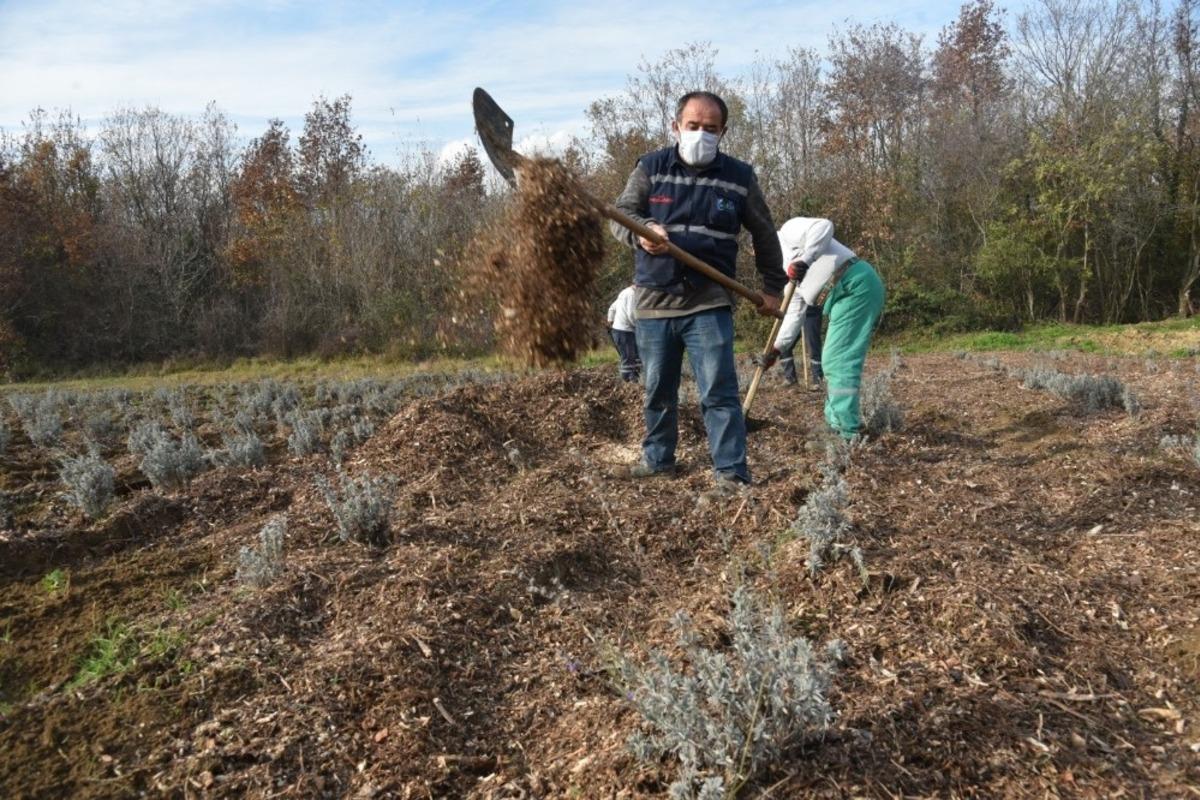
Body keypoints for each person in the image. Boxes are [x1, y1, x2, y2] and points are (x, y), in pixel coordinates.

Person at [610, 90, 784, 489]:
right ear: (676, 126)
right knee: (657, 389)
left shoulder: (739, 178)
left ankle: (731, 472)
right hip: (655, 300)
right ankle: (658, 459)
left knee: (719, 391)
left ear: (722, 132)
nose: (701, 134)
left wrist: (772, 287)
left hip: (709, 300)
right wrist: (643, 235)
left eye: (711, 129)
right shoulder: (651, 168)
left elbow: (764, 232)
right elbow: (621, 216)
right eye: (693, 126)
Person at [756, 216, 885, 439]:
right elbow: (794, 314)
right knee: (832, 359)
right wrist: (776, 350)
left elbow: (824, 226)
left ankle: (845, 432)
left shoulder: (788, 232)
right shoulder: (784, 274)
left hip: (854, 284)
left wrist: (805, 260)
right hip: (841, 296)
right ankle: (835, 422)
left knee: (837, 359)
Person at [606, 285, 640, 382]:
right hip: (624, 331)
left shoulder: (624, 292)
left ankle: (637, 380)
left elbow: (612, 308)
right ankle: (627, 383)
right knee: (628, 360)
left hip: (622, 330)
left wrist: (610, 321)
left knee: (636, 358)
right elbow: (631, 315)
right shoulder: (632, 294)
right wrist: (641, 328)